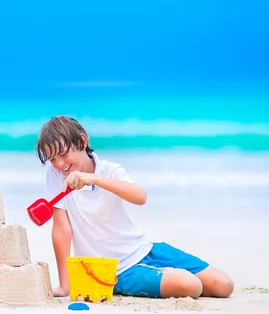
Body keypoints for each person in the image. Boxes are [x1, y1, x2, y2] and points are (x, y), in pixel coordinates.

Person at [35, 115, 234, 299]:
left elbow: (140, 197)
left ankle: (164, 274)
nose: (60, 164)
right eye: (52, 159)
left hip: (144, 248)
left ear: (83, 141)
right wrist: (65, 286)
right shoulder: (56, 177)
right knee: (191, 286)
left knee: (224, 285)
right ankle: (163, 277)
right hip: (115, 269)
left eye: (63, 154)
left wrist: (93, 179)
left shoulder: (110, 170)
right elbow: (62, 229)